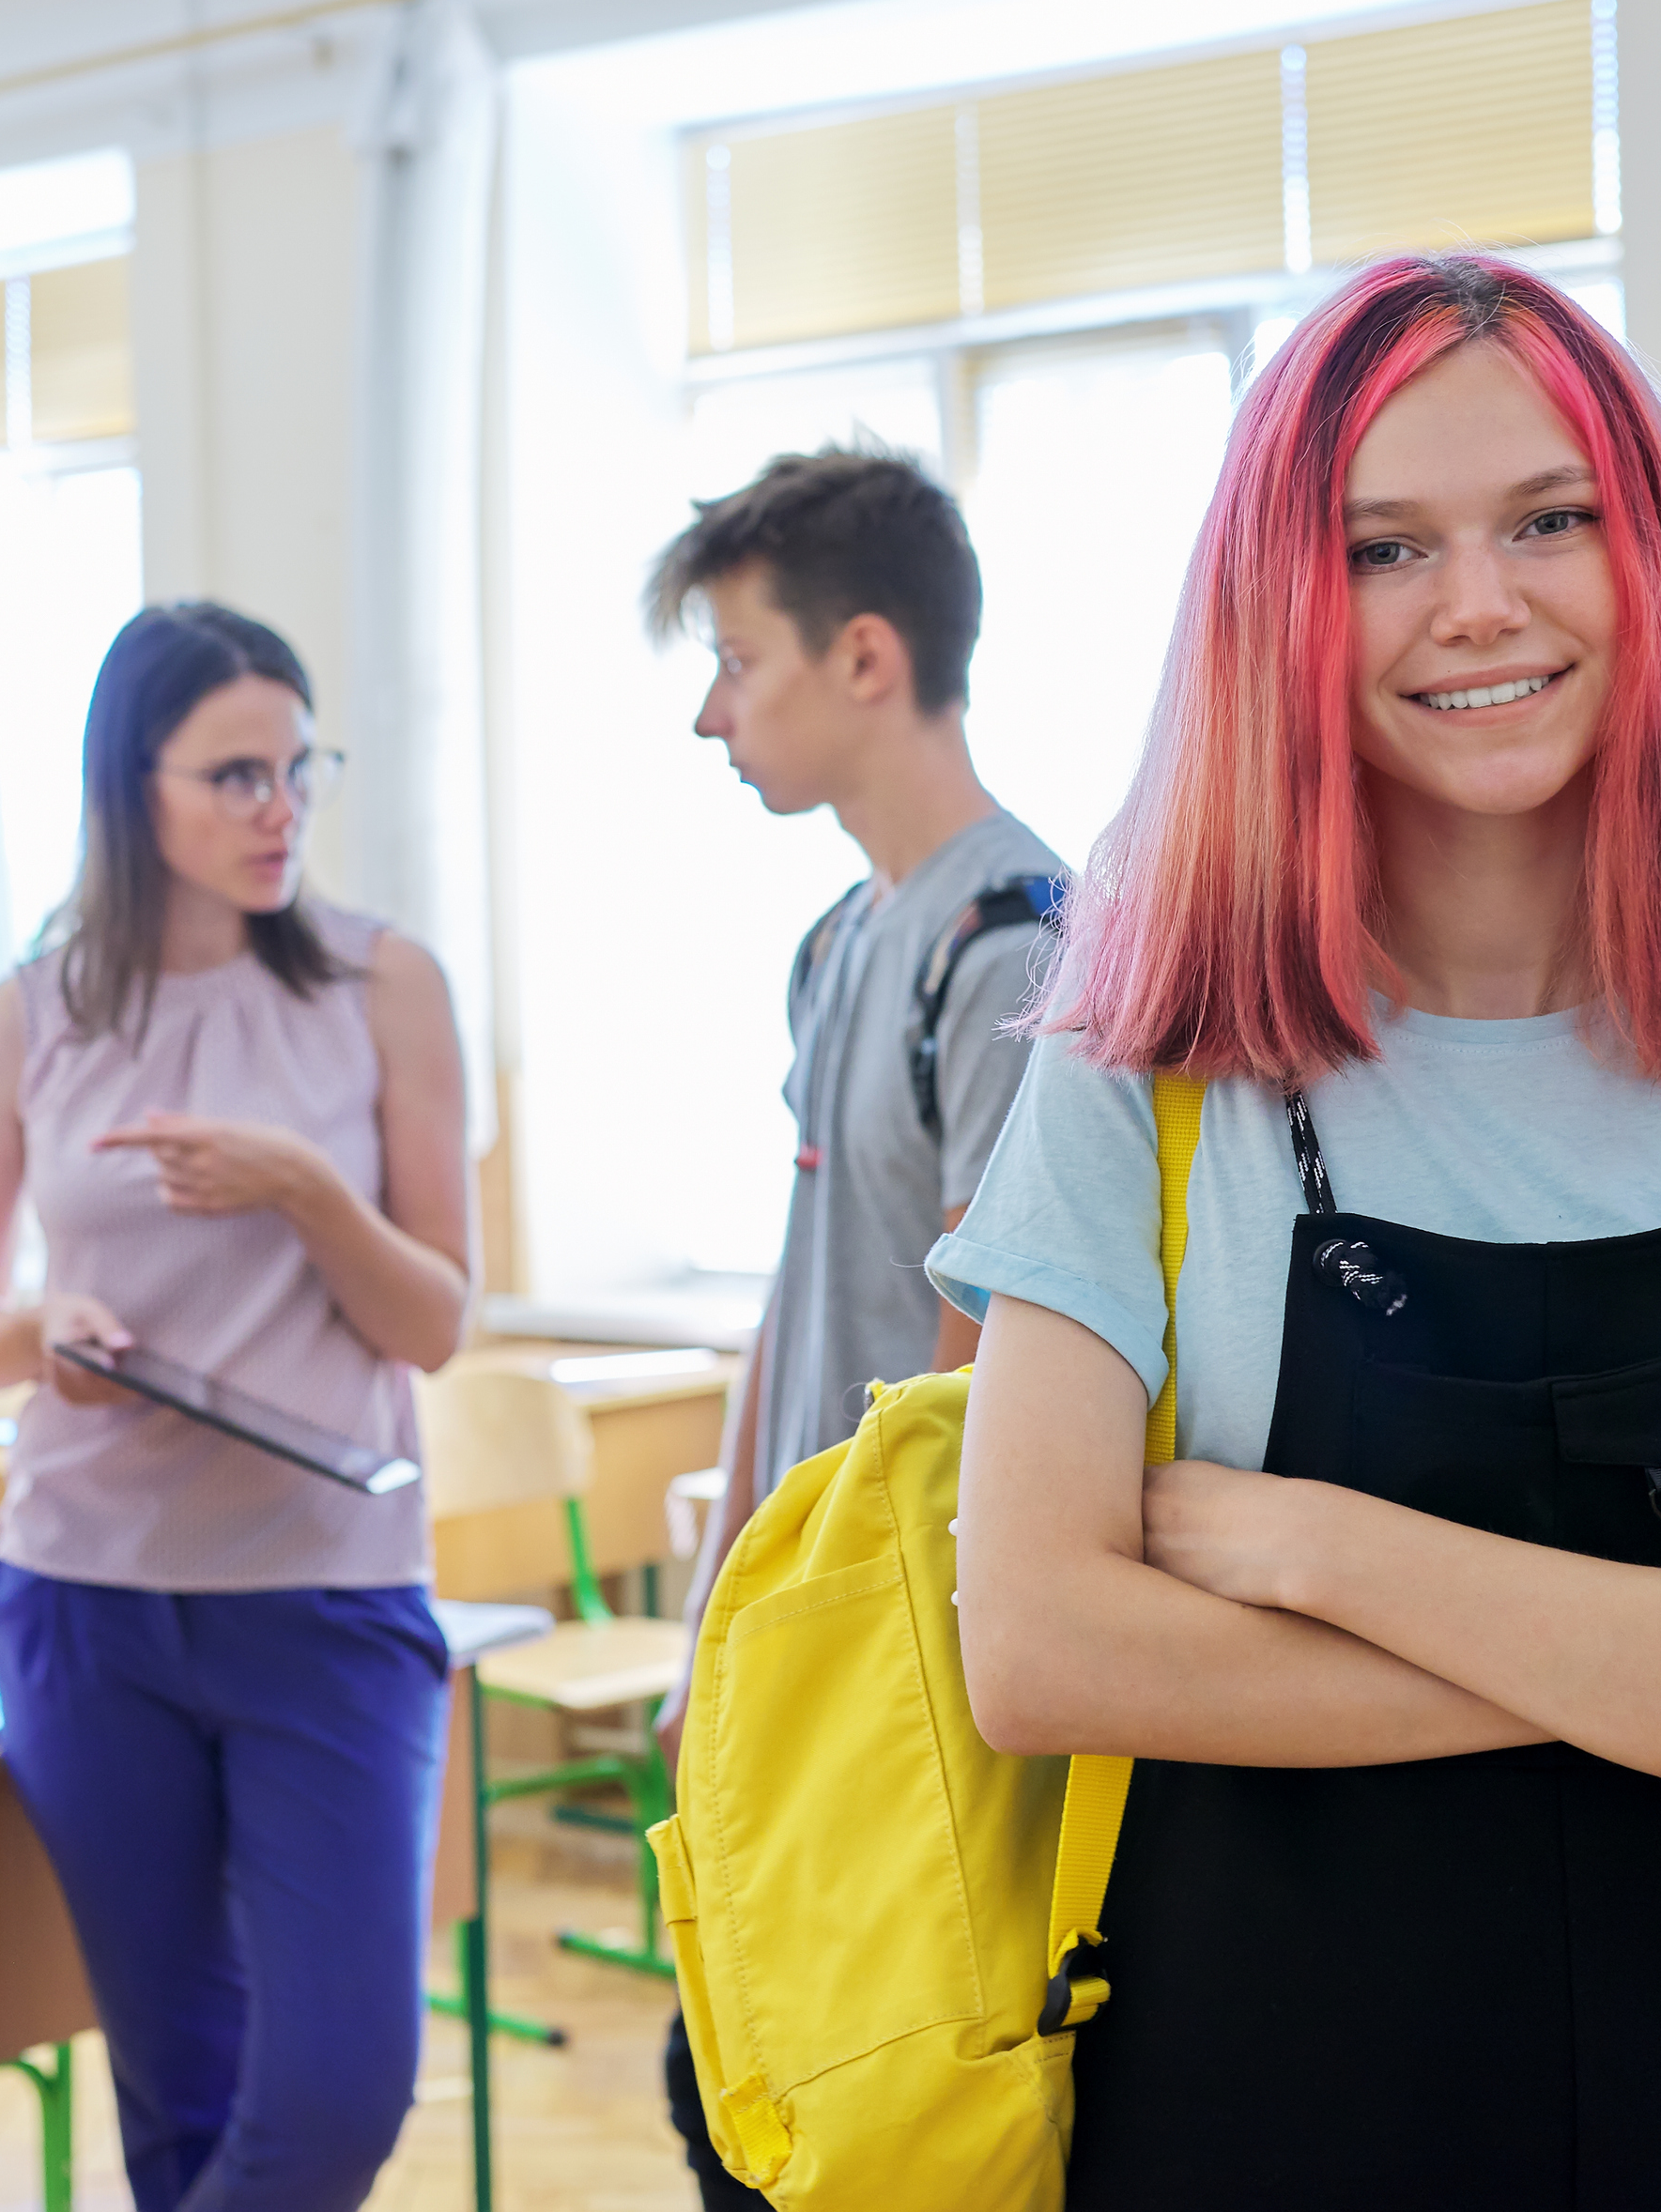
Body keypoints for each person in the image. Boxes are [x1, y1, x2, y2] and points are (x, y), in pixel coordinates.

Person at [937, 253, 1661, 2208]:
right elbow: (1037, 1646)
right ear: (1281, 607)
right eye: (1384, 548)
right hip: (1253, 2129)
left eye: (1551, 519)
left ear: (1651, 562)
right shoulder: (1152, 1053)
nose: (1480, 602)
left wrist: (1317, 1550)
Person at [0, 599, 472, 2212]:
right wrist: (44, 1332)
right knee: (178, 2095)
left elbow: (433, 1319)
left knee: (336, 2099)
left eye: (300, 767)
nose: (279, 806)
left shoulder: (386, 986)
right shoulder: (24, 1018)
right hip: (86, 1605)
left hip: (327, 1602)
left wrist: (305, 1187)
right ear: (130, 783)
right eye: (234, 773)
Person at [638, 446, 1065, 2204]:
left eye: (739, 662)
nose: (711, 715)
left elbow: (997, 1361)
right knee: (727, 2088)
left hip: (909, 1660)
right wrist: (718, 1602)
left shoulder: (1019, 944)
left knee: (862, 2122)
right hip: (796, 1620)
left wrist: (866, 1654)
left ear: (866, 659)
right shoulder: (837, 940)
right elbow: (805, 1274)